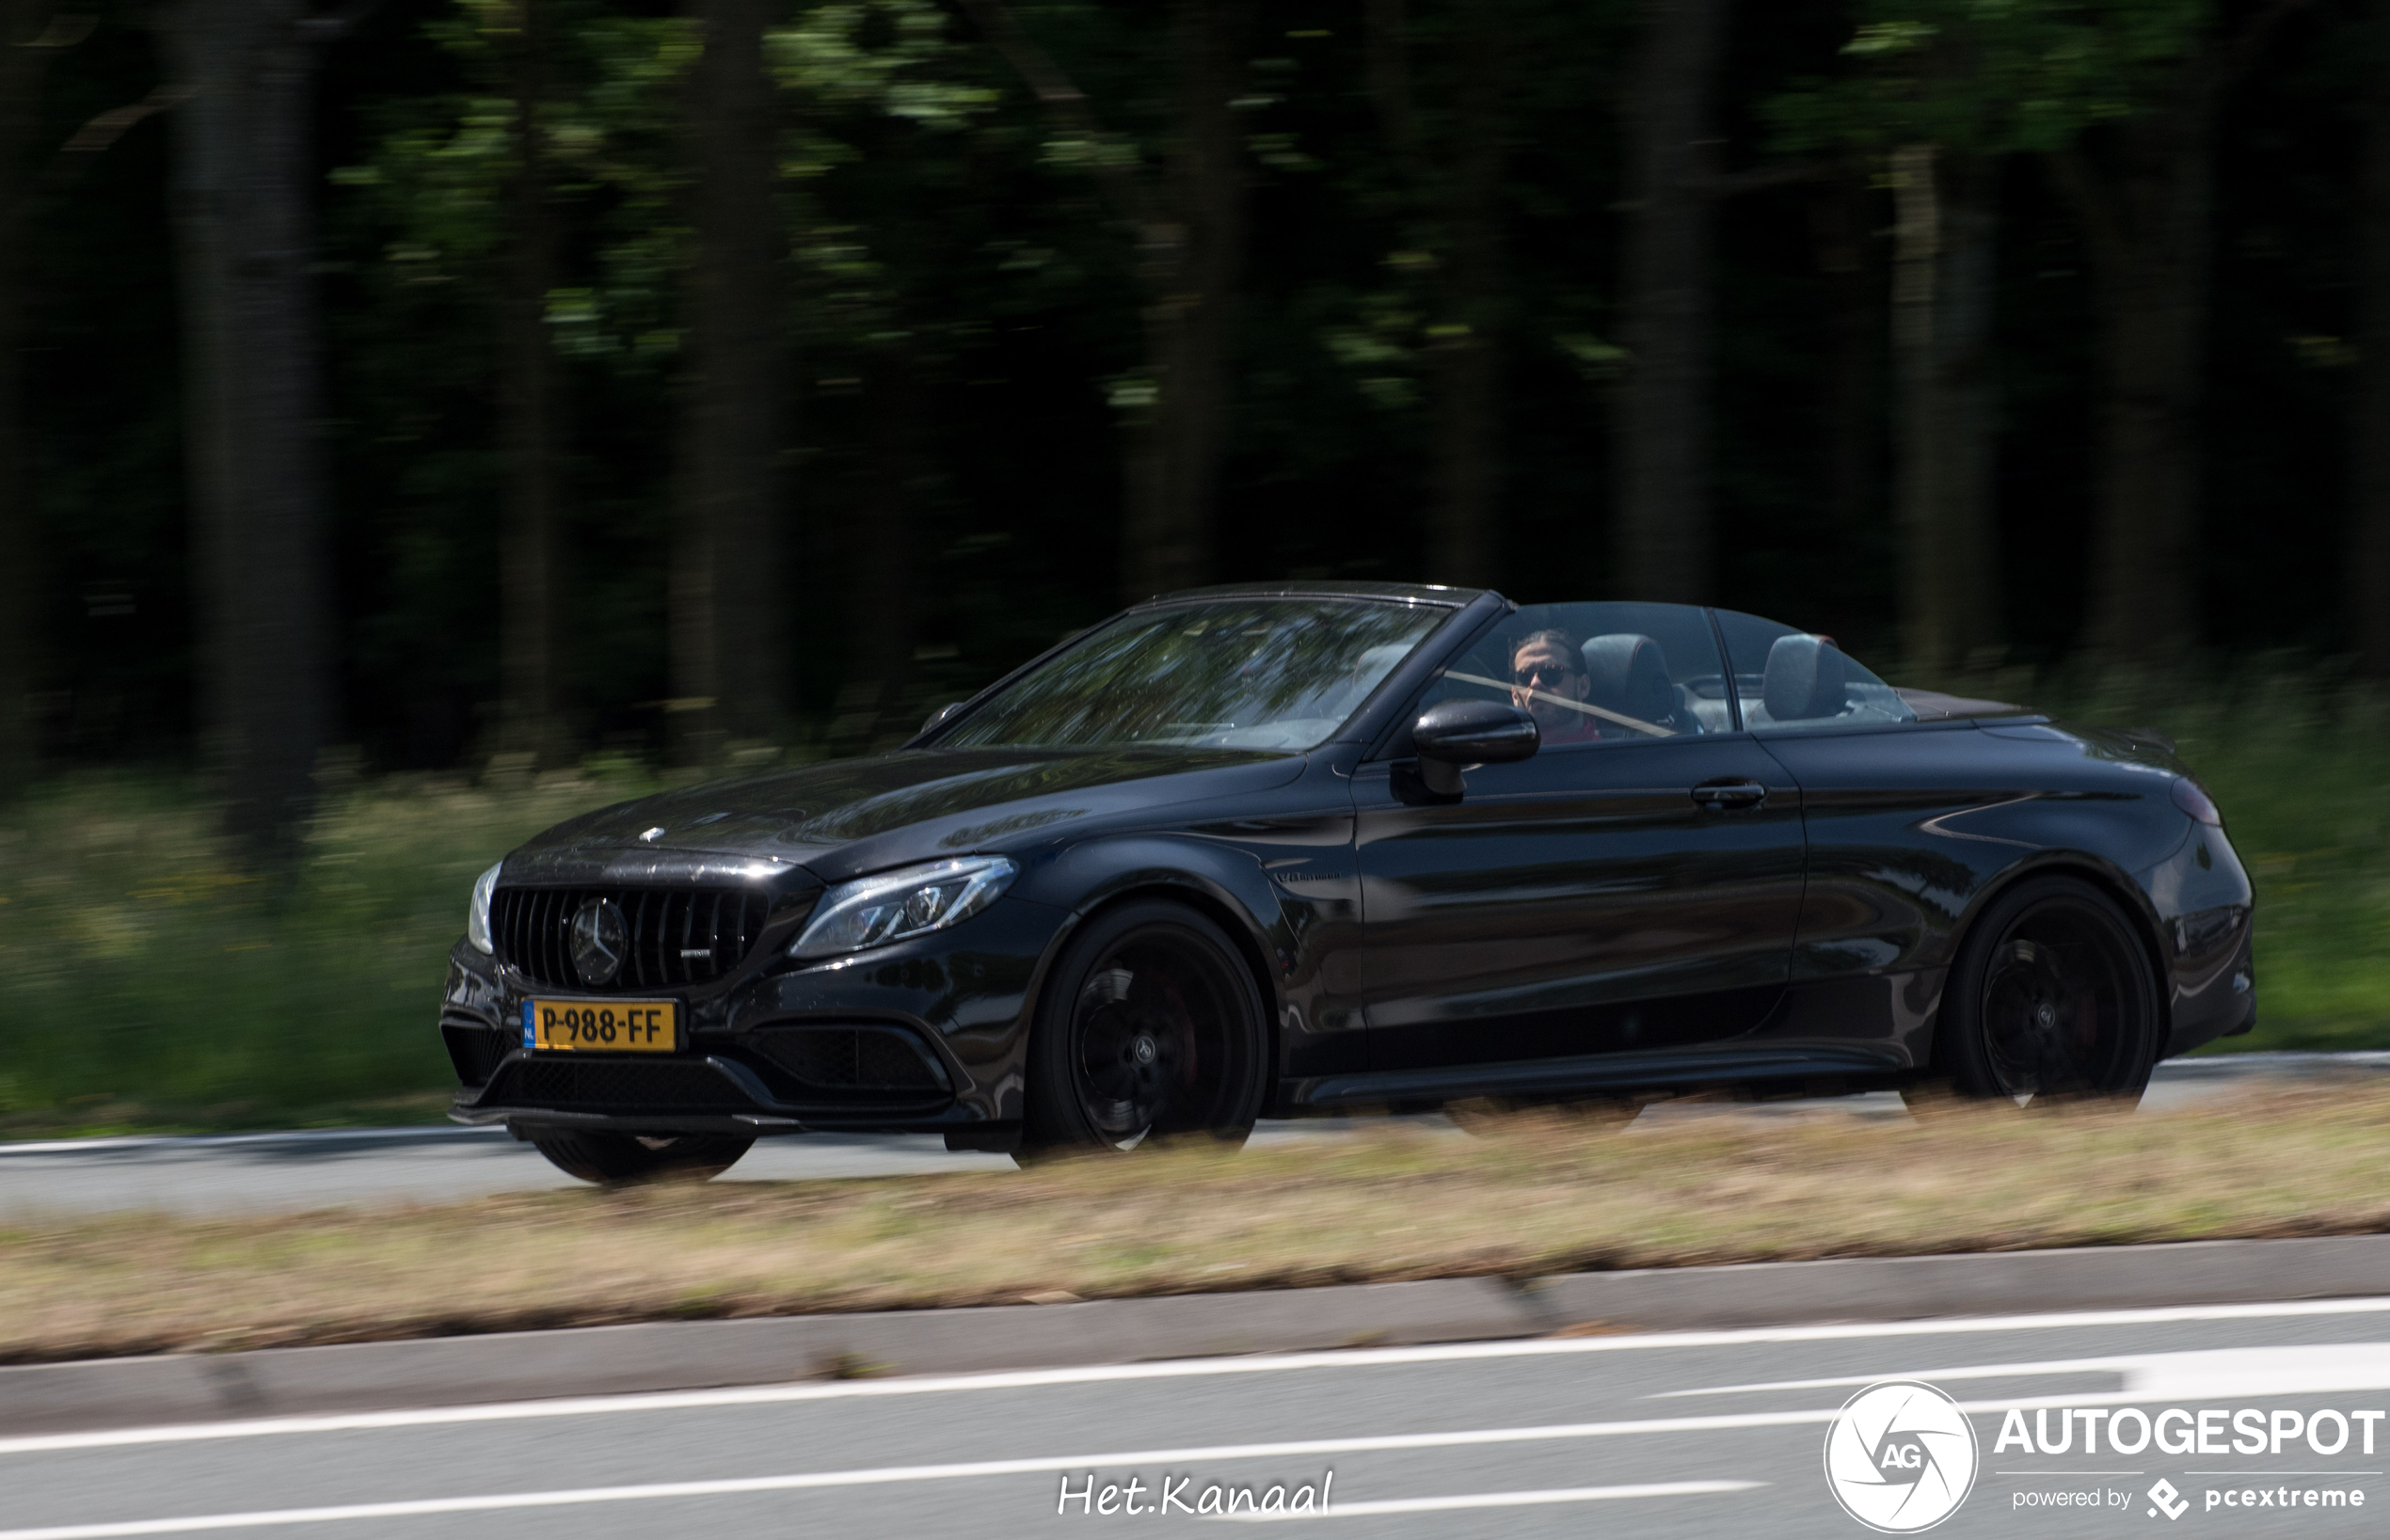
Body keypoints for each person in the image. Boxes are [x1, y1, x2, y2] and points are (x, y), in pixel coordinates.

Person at [1508, 629, 1601, 744]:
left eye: (1551, 673)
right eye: (1525, 676)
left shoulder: (1616, 753)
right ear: (1515, 696)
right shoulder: (1498, 756)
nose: (1535, 683)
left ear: (1583, 686)